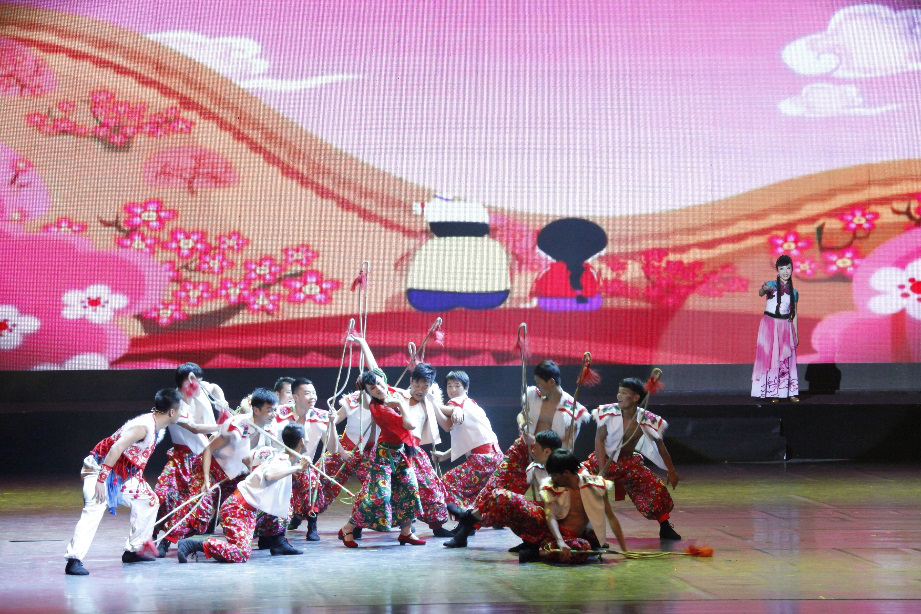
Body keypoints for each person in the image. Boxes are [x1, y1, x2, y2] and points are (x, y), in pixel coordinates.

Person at [445, 360, 588, 548]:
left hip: (548, 458)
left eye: (539, 382)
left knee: (533, 501)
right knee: (493, 487)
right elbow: (522, 415)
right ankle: (465, 528)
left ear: (551, 382)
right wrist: (522, 424)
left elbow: (568, 444)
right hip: (522, 449)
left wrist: (542, 450)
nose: (537, 386)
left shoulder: (572, 407)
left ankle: (530, 539)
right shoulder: (533, 395)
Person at [162, 389, 299, 555]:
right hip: (213, 472)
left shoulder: (269, 430)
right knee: (199, 508)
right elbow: (208, 450)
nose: (273, 414)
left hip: (237, 478)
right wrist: (206, 480)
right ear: (256, 410)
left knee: (265, 498)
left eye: (275, 410)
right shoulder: (235, 426)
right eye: (269, 410)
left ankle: (275, 540)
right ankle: (166, 541)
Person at [64, 388, 181, 575]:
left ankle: (133, 550)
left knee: (149, 500)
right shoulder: (143, 427)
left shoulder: (158, 427)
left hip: (121, 475)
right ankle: (73, 559)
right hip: (99, 469)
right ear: (172, 412)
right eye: (180, 409)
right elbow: (116, 448)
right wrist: (101, 480)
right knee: (95, 507)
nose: (182, 413)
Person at [350, 335, 453, 537]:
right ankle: (355, 526)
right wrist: (363, 343)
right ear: (411, 382)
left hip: (414, 451)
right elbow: (375, 372)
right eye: (417, 385)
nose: (420, 390)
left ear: (430, 386)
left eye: (425, 386)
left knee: (430, 489)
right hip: (391, 450)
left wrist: (457, 411)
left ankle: (436, 527)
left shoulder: (429, 401)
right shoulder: (397, 395)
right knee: (375, 490)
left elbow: (446, 420)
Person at [176, 426, 310, 563]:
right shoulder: (281, 461)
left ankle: (278, 542)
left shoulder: (276, 454)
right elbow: (269, 475)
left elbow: (247, 459)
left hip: (251, 510)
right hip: (237, 509)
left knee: (284, 509)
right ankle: (195, 544)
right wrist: (298, 468)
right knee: (240, 553)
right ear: (302, 441)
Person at [582, 378, 681, 540]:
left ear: (635, 398)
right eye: (619, 392)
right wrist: (601, 469)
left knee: (655, 487)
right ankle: (585, 528)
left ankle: (665, 527)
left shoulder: (646, 419)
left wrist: (671, 470)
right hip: (604, 460)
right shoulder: (608, 413)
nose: (619, 396)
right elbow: (599, 440)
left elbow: (660, 445)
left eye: (624, 393)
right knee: (581, 481)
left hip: (629, 463)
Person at [339, 369, 425, 547]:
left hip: (401, 452)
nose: (378, 388)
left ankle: (406, 533)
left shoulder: (391, 392)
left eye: (379, 383)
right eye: (372, 388)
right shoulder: (379, 409)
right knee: (380, 497)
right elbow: (410, 425)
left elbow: (375, 368)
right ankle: (348, 528)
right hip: (384, 456)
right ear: (368, 392)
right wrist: (400, 404)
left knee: (410, 489)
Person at [154, 364, 222, 557]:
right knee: (162, 494)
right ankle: (151, 535)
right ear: (186, 383)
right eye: (196, 381)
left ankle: (169, 540)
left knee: (193, 503)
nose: (200, 384)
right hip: (180, 458)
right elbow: (194, 427)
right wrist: (224, 426)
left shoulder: (201, 388)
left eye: (200, 381)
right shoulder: (174, 403)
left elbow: (214, 387)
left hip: (202, 458)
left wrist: (222, 401)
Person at [434, 371, 502, 512]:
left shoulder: (456, 402)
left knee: (445, 485)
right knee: (480, 496)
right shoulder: (472, 404)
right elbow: (471, 442)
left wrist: (430, 402)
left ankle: (465, 517)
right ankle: (472, 518)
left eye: (457, 385)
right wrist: (445, 455)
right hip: (496, 458)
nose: (453, 389)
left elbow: (447, 425)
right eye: (449, 386)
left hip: (482, 460)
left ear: (466, 388)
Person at [279, 377, 331, 541]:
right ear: (295, 397)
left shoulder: (321, 416)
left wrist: (332, 425)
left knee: (313, 482)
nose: (313, 397)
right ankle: (277, 527)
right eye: (307, 393)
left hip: (304, 466)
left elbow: (333, 447)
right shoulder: (280, 413)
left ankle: (312, 524)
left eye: (314, 393)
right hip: (280, 465)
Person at [752, 254, 800, 401]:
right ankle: (773, 392)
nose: (785, 271)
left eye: (788, 268)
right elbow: (761, 293)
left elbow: (794, 314)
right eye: (782, 269)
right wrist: (764, 289)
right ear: (777, 270)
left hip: (785, 326)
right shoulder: (771, 285)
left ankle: (789, 392)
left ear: (792, 269)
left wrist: (796, 333)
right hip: (770, 325)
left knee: (786, 359)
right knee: (771, 358)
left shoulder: (794, 292)